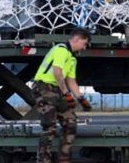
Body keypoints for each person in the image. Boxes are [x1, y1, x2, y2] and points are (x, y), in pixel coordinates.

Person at [31, 29, 92, 163]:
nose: (85, 47)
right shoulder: (60, 49)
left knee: (70, 122)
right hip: (44, 88)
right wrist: (67, 94)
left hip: (58, 90)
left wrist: (81, 98)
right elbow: (57, 73)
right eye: (85, 43)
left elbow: (71, 81)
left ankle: (64, 159)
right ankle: (43, 160)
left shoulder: (72, 58)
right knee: (49, 126)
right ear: (77, 39)